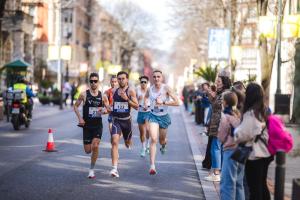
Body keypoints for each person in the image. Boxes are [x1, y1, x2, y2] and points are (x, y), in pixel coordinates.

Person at [234, 83, 273, 200]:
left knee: (254, 188)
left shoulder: (251, 114)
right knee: (262, 185)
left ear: (249, 96)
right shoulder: (265, 110)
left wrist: (236, 131)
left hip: (255, 155)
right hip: (266, 153)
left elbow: (240, 134)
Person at [103, 71, 138, 178]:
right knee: (114, 141)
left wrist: (126, 99)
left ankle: (127, 142)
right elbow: (111, 104)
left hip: (126, 121)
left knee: (128, 143)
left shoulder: (131, 91)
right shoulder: (113, 91)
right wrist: (107, 108)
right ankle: (114, 169)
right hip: (116, 120)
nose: (121, 80)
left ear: (127, 79)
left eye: (123, 78)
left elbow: (137, 106)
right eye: (119, 79)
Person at [145, 70, 179, 175]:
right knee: (153, 139)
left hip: (164, 117)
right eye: (154, 77)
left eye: (158, 77)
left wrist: (163, 102)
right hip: (153, 116)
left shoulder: (166, 88)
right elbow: (146, 98)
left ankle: (163, 145)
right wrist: (146, 103)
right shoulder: (149, 89)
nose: (156, 79)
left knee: (161, 140)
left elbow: (177, 102)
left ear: (162, 78)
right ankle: (152, 166)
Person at [73, 72, 107, 179]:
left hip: (97, 126)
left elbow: (109, 109)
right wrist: (80, 118)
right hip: (87, 126)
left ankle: (91, 170)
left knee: (95, 146)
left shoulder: (103, 96)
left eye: (95, 81)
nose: (93, 83)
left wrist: (104, 110)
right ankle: (94, 153)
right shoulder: (84, 94)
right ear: (89, 82)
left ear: (98, 82)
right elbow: (75, 106)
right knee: (88, 150)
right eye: (91, 81)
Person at [204, 73, 232, 182]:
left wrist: (214, 96)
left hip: (220, 124)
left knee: (215, 148)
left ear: (224, 83)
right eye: (216, 81)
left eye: (219, 81)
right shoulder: (221, 93)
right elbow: (214, 105)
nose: (216, 83)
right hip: (216, 123)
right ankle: (217, 171)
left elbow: (221, 107)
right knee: (216, 148)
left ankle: (216, 173)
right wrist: (212, 96)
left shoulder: (226, 93)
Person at [218, 91, 244, 200]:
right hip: (241, 150)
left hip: (230, 150)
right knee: (238, 183)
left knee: (227, 183)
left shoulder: (226, 116)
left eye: (222, 100)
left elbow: (221, 135)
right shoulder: (238, 114)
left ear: (226, 102)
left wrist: (223, 141)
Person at [136, 75, 150, 157]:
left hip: (148, 112)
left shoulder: (150, 90)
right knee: (142, 132)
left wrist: (148, 106)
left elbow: (154, 101)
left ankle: (148, 144)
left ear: (147, 83)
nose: (143, 83)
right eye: (142, 82)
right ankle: (143, 148)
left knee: (148, 129)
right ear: (140, 83)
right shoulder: (137, 90)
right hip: (140, 112)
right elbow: (133, 100)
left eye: (145, 82)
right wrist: (138, 99)